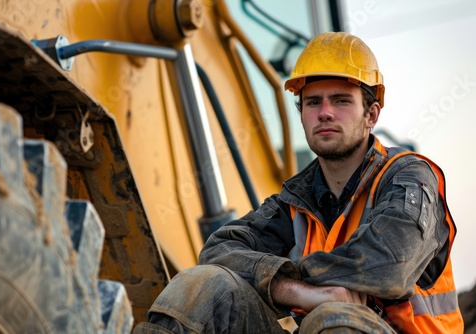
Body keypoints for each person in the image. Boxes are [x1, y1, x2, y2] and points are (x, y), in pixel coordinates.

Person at [134, 32, 464, 333]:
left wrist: (280, 278)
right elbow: (217, 252)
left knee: (331, 318)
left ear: (372, 115)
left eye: (341, 100)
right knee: (201, 284)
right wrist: (297, 291)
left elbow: (390, 264)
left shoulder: (409, 178)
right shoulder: (295, 200)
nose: (325, 113)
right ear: (302, 114)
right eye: (312, 102)